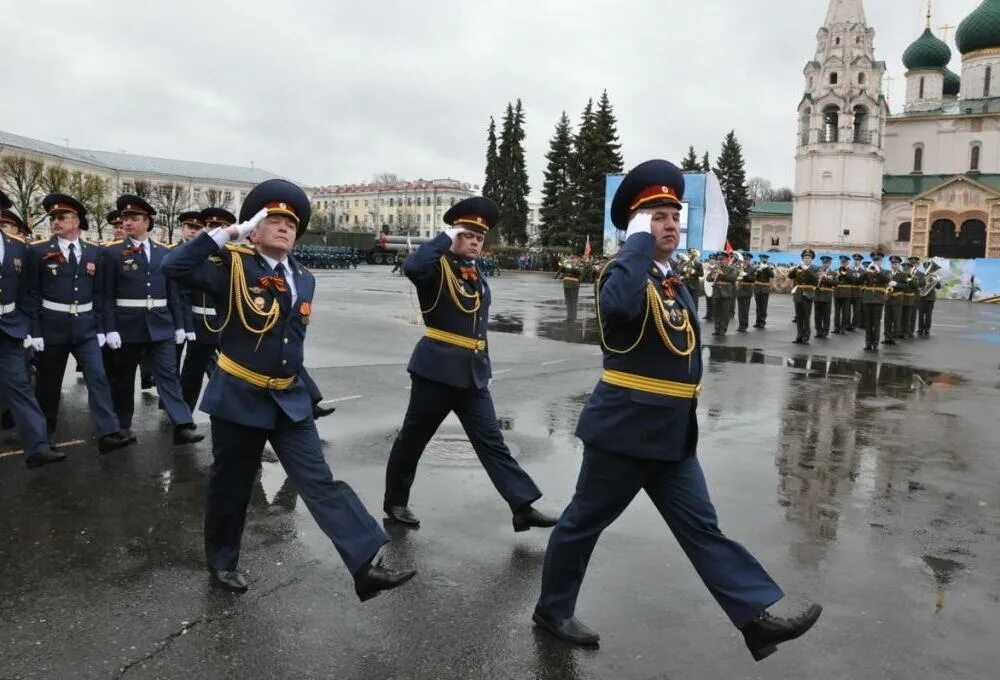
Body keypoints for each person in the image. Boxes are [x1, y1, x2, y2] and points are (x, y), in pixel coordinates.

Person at [534, 160, 821, 659]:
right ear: (639, 226)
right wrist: (635, 245)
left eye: (674, 215)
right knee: (582, 523)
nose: (671, 224)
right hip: (624, 431)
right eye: (659, 216)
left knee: (702, 527)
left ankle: (756, 621)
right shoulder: (622, 272)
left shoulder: (671, 279)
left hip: (670, 434)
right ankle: (552, 609)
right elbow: (620, 310)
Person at [162, 179, 415, 597]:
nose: (283, 228)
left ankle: (365, 565)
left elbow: (289, 342)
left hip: (287, 397)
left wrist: (308, 391)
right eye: (272, 220)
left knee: (319, 481)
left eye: (290, 223)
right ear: (255, 228)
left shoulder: (304, 277)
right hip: (240, 395)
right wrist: (228, 235)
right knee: (232, 486)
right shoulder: (233, 265)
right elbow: (174, 269)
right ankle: (222, 561)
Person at [383, 196, 557, 532]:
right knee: (413, 439)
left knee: (492, 441)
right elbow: (413, 267)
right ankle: (396, 502)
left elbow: (477, 325)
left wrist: (485, 368)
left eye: (479, 237)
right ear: (454, 235)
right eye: (468, 235)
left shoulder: (474, 272)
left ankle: (522, 505)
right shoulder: (435, 269)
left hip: (473, 375)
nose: (475, 241)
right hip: (436, 372)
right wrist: (446, 237)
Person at [25, 194, 134, 454]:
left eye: (62, 217)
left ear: (76, 221)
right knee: (48, 385)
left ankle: (108, 432)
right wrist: (34, 331)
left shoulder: (94, 252)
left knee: (98, 377)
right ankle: (44, 437)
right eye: (53, 218)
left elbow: (100, 295)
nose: (55, 222)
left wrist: (102, 328)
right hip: (52, 326)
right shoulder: (39, 251)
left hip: (85, 327)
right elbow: (31, 294)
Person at [101, 195, 203, 445]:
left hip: (161, 323)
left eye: (134, 218)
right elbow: (104, 295)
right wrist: (109, 328)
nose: (127, 223)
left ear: (147, 222)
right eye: (125, 219)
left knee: (168, 374)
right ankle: (122, 425)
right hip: (127, 325)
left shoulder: (163, 253)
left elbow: (173, 293)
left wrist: (179, 325)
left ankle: (182, 424)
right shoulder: (112, 253)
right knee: (124, 377)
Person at [0, 189, 65, 468]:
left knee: (21, 387)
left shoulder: (16, 247)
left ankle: (38, 446)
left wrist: (25, 321)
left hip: (8, 327)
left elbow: (27, 289)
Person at [861, 253, 890, 352]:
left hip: (878, 300)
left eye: (878, 261)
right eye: (874, 261)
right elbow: (858, 280)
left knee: (876, 323)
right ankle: (868, 343)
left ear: (881, 262)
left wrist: (878, 272)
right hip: (868, 300)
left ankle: (875, 344)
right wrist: (866, 272)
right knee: (868, 324)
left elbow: (888, 280)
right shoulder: (868, 271)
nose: (876, 263)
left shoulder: (885, 271)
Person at [789, 249, 819, 344]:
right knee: (799, 317)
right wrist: (796, 268)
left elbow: (815, 280)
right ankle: (799, 336)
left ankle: (806, 336)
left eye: (809, 258)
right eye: (805, 258)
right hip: (798, 294)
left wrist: (807, 270)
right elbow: (790, 276)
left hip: (808, 294)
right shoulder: (799, 267)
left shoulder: (815, 268)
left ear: (812, 259)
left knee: (806, 316)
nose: (806, 259)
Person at [883, 255, 906, 345]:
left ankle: (893, 338)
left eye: (896, 263)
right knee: (887, 319)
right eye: (892, 263)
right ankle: (887, 337)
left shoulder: (903, 275)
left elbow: (906, 286)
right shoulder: (886, 273)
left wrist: (896, 284)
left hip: (897, 299)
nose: (894, 265)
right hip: (888, 298)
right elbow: (883, 283)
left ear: (899, 264)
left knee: (896, 319)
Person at [813, 255, 836, 339]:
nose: (825, 264)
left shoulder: (833, 273)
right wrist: (818, 278)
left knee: (826, 315)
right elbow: (813, 281)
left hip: (827, 296)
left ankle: (825, 331)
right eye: (823, 263)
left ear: (830, 263)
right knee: (817, 315)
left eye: (826, 263)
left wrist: (826, 278)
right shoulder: (817, 271)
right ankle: (818, 331)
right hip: (818, 295)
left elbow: (835, 283)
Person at [918, 260, 941, 336]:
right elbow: (919, 284)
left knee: (928, 315)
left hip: (930, 298)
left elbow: (939, 287)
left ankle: (927, 329)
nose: (927, 269)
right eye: (926, 267)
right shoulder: (921, 275)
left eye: (928, 267)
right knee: (921, 315)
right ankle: (920, 328)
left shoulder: (934, 276)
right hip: (921, 297)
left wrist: (936, 281)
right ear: (924, 268)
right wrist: (924, 280)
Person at [735, 252, 755, 332]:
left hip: (747, 290)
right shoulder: (740, 267)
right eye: (744, 259)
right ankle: (740, 325)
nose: (745, 261)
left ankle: (744, 325)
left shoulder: (752, 268)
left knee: (745, 309)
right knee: (740, 309)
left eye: (747, 259)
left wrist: (745, 275)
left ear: (750, 260)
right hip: (740, 290)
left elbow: (753, 279)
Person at [832, 255, 852, 334]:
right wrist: (837, 276)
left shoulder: (850, 271)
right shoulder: (836, 271)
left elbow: (853, 280)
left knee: (845, 312)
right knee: (837, 312)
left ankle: (843, 327)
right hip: (837, 293)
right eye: (842, 262)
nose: (843, 263)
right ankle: (836, 327)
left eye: (844, 262)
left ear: (847, 262)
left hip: (846, 294)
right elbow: (833, 282)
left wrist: (845, 273)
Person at [752, 254, 773, 328]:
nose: (763, 260)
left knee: (763, 306)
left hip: (764, 289)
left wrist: (766, 267)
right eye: (761, 259)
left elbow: (772, 275)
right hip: (757, 288)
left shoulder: (769, 267)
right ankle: (757, 321)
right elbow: (753, 276)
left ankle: (762, 321)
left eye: (764, 259)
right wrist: (757, 271)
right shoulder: (757, 267)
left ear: (767, 260)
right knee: (758, 307)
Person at [562, 256, 582, 322]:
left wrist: (572, 266)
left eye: (573, 259)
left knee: (573, 302)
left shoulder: (579, 266)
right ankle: (569, 317)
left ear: (576, 260)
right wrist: (564, 264)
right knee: (568, 301)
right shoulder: (567, 265)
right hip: (566, 285)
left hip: (574, 285)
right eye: (571, 259)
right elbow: (562, 270)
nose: (572, 260)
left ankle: (573, 317)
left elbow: (578, 272)